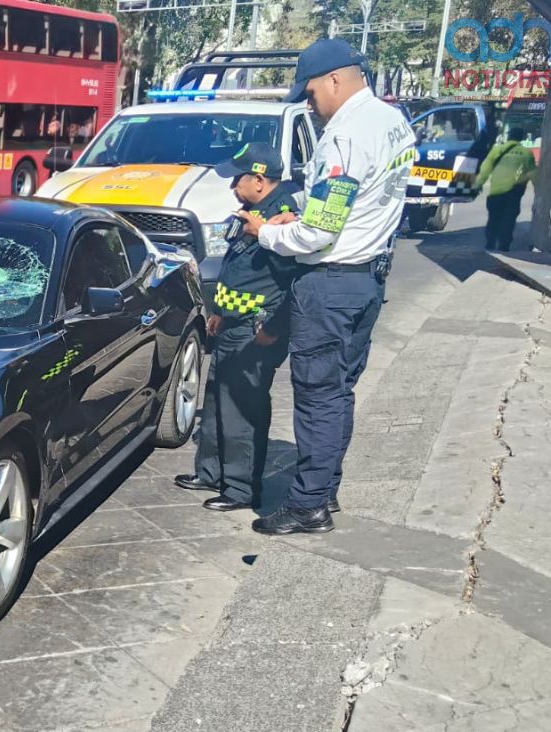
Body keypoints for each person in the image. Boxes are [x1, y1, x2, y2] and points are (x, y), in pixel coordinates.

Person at [236, 39, 415, 535]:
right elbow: (347, 209)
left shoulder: (347, 134)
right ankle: (325, 488)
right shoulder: (391, 121)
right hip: (367, 278)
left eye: (311, 94)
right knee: (339, 392)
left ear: (335, 80)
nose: (311, 106)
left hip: (330, 283)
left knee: (317, 394)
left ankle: (308, 505)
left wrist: (267, 232)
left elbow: (319, 232)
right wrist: (309, 217)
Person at [173, 143, 300, 512]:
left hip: (256, 330)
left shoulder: (283, 221)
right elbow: (241, 271)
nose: (232, 188)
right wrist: (221, 313)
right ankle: (211, 472)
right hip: (232, 324)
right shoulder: (256, 213)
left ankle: (242, 489)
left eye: (238, 180)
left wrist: (272, 330)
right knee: (215, 401)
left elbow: (290, 285)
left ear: (259, 180)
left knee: (242, 409)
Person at [478, 127, 537, 252]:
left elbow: (485, 169)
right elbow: (533, 174)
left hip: (496, 192)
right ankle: (504, 246)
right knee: (509, 220)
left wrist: (478, 184)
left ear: (509, 136)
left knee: (493, 218)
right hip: (514, 193)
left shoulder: (497, 150)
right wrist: (539, 192)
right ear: (521, 138)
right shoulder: (526, 153)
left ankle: (490, 243)